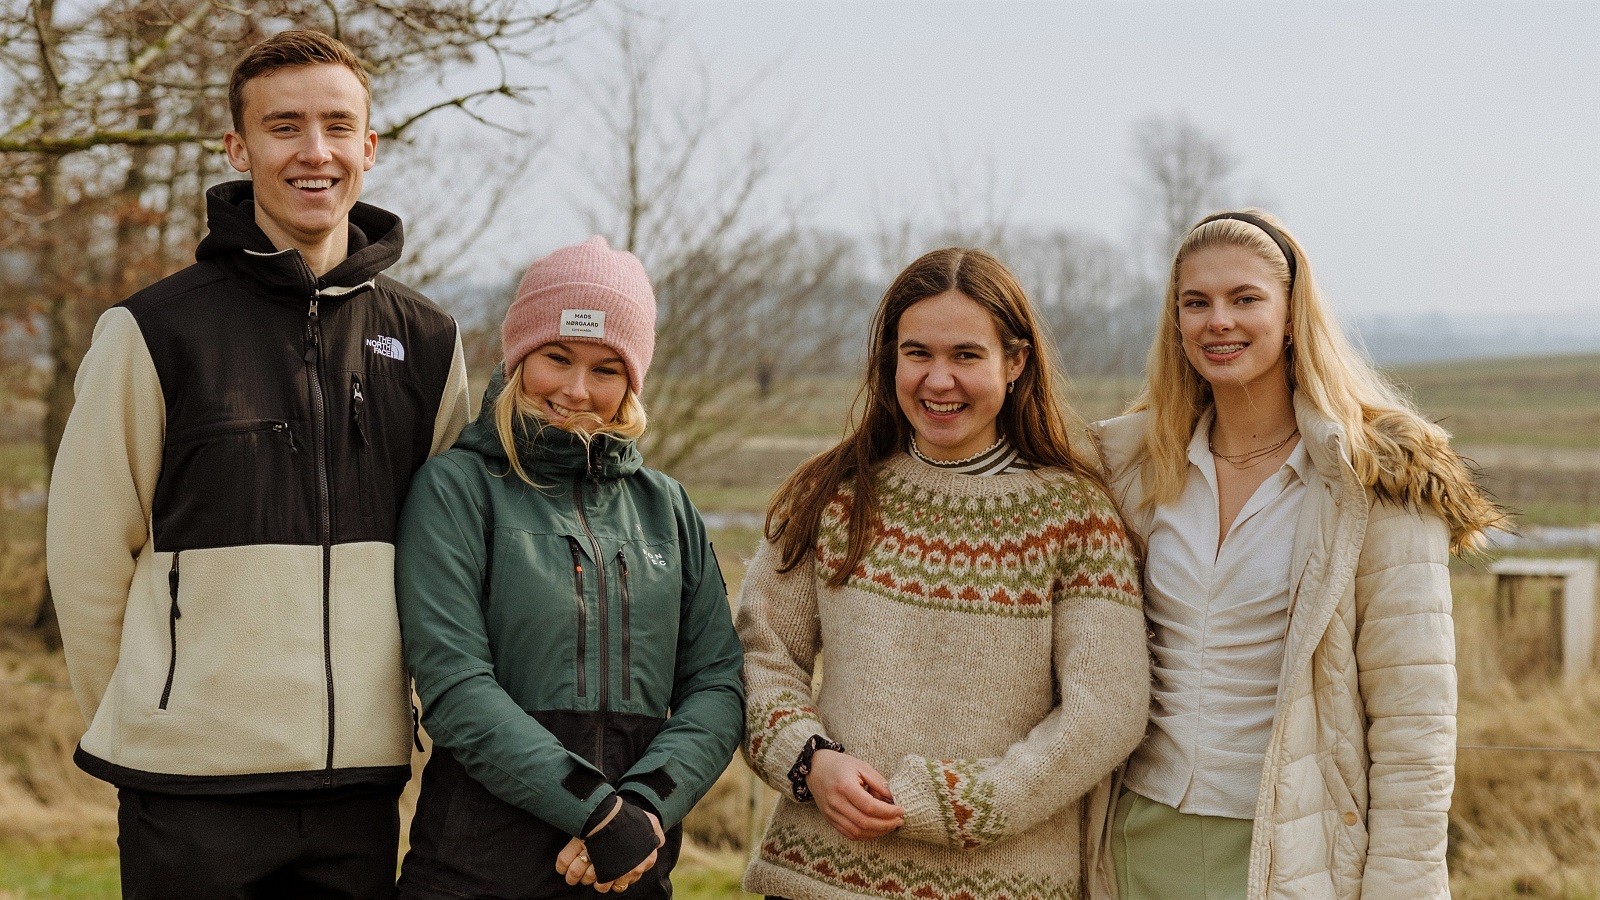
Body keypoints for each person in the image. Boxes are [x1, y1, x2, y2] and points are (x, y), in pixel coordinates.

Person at [45, 29, 470, 898]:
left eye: (336, 127)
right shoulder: (154, 332)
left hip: (359, 782)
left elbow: (454, 565)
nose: (313, 152)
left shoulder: (429, 344)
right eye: (284, 128)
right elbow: (86, 555)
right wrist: (151, 718)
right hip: (189, 788)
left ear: (369, 148)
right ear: (239, 149)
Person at [1087, 210, 1502, 899]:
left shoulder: (1377, 481)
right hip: (1138, 839)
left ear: (1288, 315)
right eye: (1197, 303)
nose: (1218, 320)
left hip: (1291, 853)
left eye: (1245, 299)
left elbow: (1414, 729)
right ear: (1176, 321)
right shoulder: (1131, 469)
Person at [738, 247, 1149, 899]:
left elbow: (1109, 710)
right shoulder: (831, 495)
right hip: (821, 877)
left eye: (966, 355)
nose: (938, 380)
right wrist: (808, 760)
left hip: (1004, 883)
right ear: (889, 361)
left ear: (1015, 363)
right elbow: (759, 657)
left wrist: (966, 804)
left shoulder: (1072, 515)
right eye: (918, 353)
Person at [393, 236, 745, 898]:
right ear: (519, 354)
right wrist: (598, 812)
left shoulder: (667, 508)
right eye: (557, 358)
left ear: (632, 382)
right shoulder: (456, 490)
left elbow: (718, 683)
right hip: (477, 874)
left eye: (607, 369)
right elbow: (455, 686)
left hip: (629, 869)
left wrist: (645, 808)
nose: (577, 390)